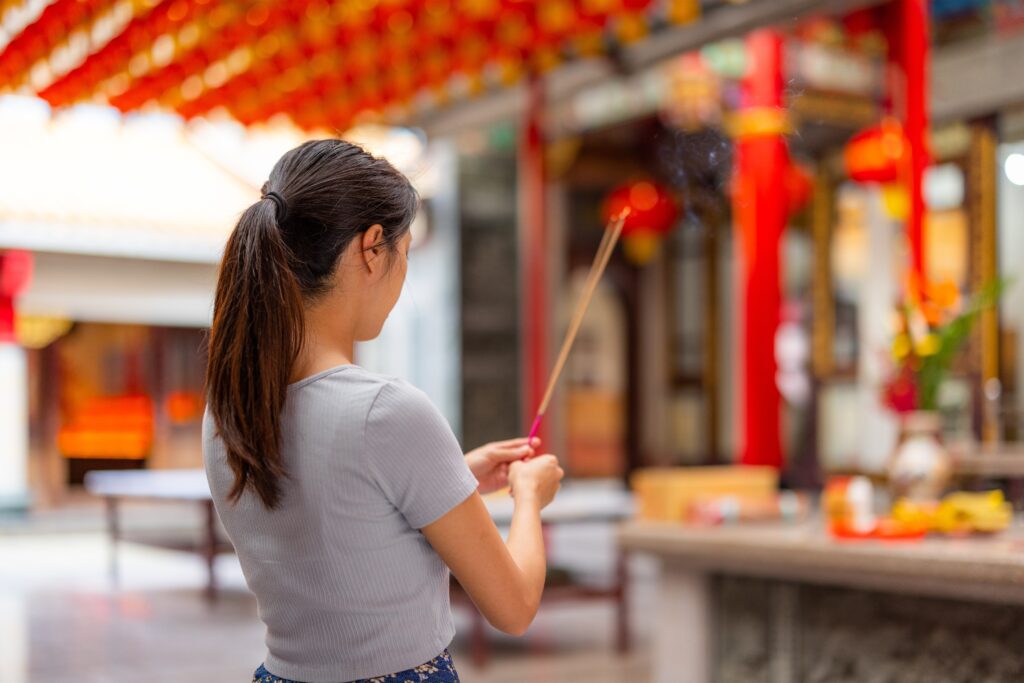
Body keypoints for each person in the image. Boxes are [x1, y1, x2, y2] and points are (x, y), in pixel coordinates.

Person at [203, 139, 564, 683]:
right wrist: (529, 496)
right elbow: (513, 606)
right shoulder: (385, 412)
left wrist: (454, 476)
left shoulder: (228, 411)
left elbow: (337, 516)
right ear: (373, 248)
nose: (402, 277)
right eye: (405, 253)